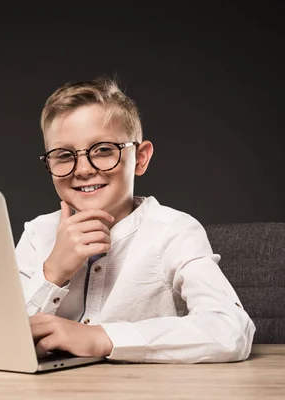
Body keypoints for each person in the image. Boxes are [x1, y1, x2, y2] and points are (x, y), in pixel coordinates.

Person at [15, 77, 256, 363]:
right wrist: (52, 272)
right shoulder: (37, 233)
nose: (82, 169)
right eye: (64, 155)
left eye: (104, 150)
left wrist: (101, 337)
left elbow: (230, 329)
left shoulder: (174, 232)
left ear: (140, 159)